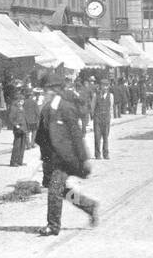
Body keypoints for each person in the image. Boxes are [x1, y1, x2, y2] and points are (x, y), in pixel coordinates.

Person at [36, 78, 99, 235]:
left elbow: (76, 135)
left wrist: (84, 159)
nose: (44, 94)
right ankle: (89, 206)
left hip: (67, 159)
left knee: (54, 190)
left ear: (54, 91)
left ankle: (53, 226)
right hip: (53, 158)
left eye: (46, 91)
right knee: (62, 191)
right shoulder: (46, 109)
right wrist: (45, 159)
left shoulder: (66, 108)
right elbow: (42, 137)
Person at [7, 83, 28, 167]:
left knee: (22, 146)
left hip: (24, 128)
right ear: (18, 100)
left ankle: (20, 161)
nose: (22, 102)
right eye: (21, 100)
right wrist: (16, 125)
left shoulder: (22, 108)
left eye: (23, 101)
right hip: (18, 129)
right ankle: (13, 161)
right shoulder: (14, 107)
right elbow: (11, 118)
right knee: (17, 146)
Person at [92, 80, 112, 160]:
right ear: (100, 86)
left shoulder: (110, 96)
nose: (105, 87)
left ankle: (106, 154)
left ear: (108, 86)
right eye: (103, 85)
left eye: (106, 86)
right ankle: (97, 154)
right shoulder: (95, 95)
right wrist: (94, 116)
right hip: (98, 118)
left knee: (106, 137)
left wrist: (110, 118)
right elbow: (92, 107)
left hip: (106, 118)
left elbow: (111, 108)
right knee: (97, 137)